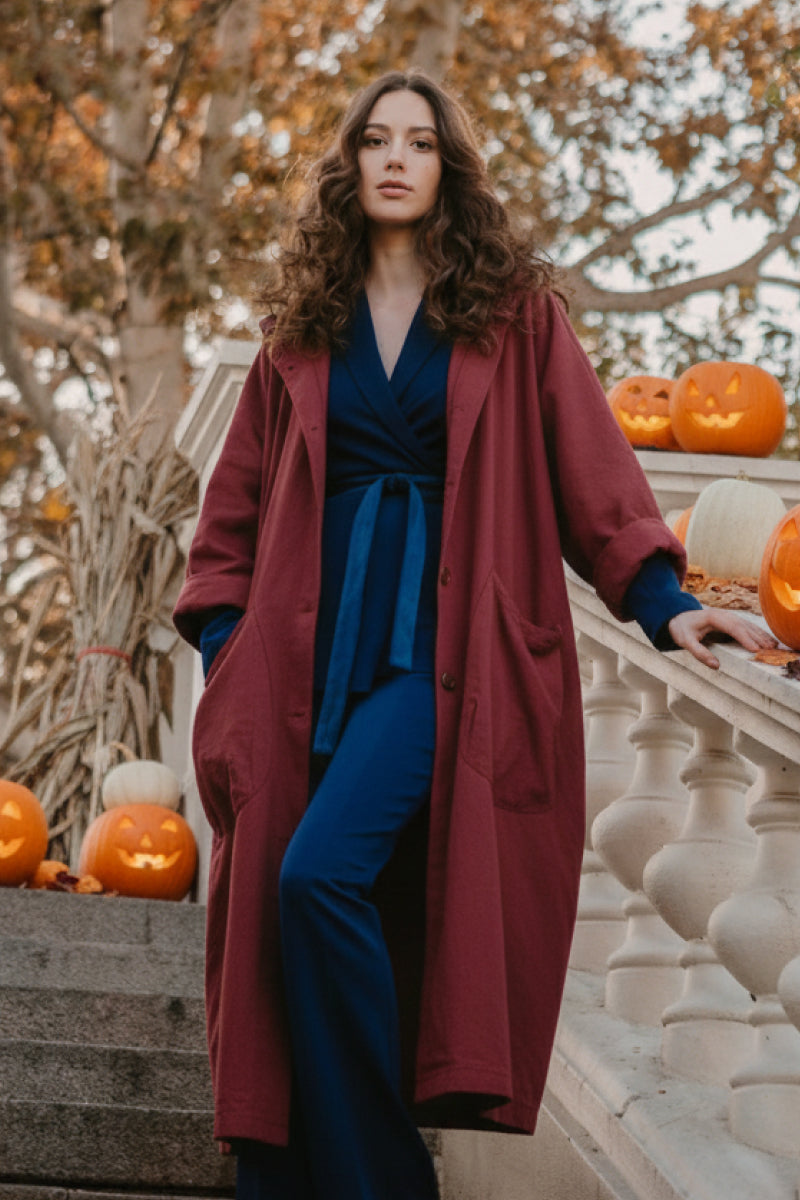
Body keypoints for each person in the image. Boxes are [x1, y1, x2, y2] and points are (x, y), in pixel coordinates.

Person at [173, 70, 776, 1200]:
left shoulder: (514, 315)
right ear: (349, 165)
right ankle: (310, 1166)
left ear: (448, 168)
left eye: (420, 142)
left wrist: (661, 598)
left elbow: (591, 468)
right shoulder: (298, 331)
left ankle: (386, 1174)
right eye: (376, 141)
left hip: (440, 657)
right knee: (286, 913)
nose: (396, 159)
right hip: (301, 662)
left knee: (315, 878)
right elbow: (232, 518)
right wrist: (227, 647)